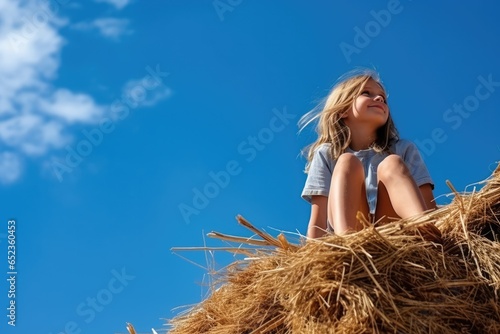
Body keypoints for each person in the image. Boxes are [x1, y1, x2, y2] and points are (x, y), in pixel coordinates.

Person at [300, 69, 437, 238]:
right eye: (366, 93)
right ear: (343, 110)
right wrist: (313, 261)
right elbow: (318, 219)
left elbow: (429, 206)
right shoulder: (327, 154)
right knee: (347, 162)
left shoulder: (403, 149)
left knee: (392, 163)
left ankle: (430, 238)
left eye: (383, 98)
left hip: (394, 233)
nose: (379, 98)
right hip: (353, 235)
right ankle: (349, 248)